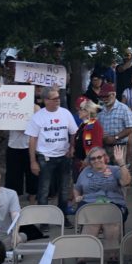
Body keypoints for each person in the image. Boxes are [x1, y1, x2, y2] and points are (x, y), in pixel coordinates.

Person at [73, 145, 130, 264]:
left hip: (113, 204)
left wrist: (121, 163)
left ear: (105, 158)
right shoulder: (85, 172)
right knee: (91, 224)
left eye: (99, 157)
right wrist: (77, 197)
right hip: (90, 204)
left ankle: (112, 257)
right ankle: (81, 260)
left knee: (111, 223)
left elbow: (126, 182)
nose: (96, 160)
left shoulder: (115, 169)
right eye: (93, 159)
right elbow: (77, 188)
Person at [26, 86, 78, 223]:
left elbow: (73, 132)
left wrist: (72, 147)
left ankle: (62, 217)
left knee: (64, 189)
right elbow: (32, 139)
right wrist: (33, 161)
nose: (58, 100)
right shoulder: (38, 117)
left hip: (64, 156)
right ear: (45, 100)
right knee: (44, 190)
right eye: (54, 98)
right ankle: (44, 220)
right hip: (45, 157)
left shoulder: (66, 113)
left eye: (58, 97)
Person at [98, 84, 132, 161]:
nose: (104, 99)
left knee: (119, 170)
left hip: (119, 146)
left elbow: (130, 128)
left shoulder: (124, 109)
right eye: (102, 97)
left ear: (114, 94)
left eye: (107, 96)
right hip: (104, 146)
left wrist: (115, 137)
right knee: (105, 171)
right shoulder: (100, 110)